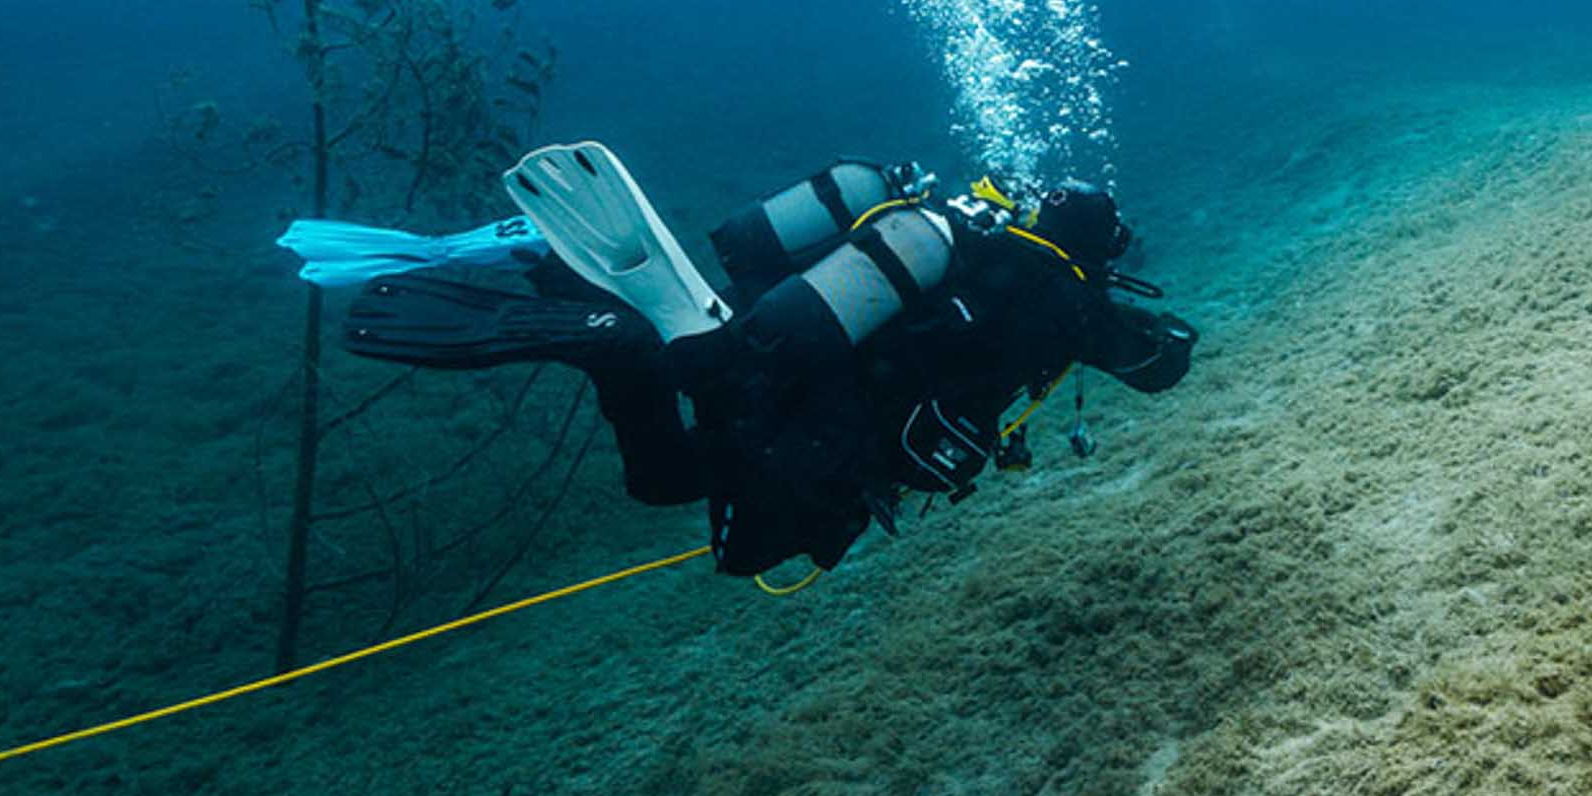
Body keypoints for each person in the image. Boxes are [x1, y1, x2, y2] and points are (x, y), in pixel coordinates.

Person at [284, 149, 1198, 580]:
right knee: (696, 491)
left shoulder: (961, 233)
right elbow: (1158, 367)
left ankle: (563, 275)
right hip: (825, 427)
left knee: (691, 450)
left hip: (788, 346)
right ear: (1099, 249)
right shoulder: (1071, 301)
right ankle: (626, 346)